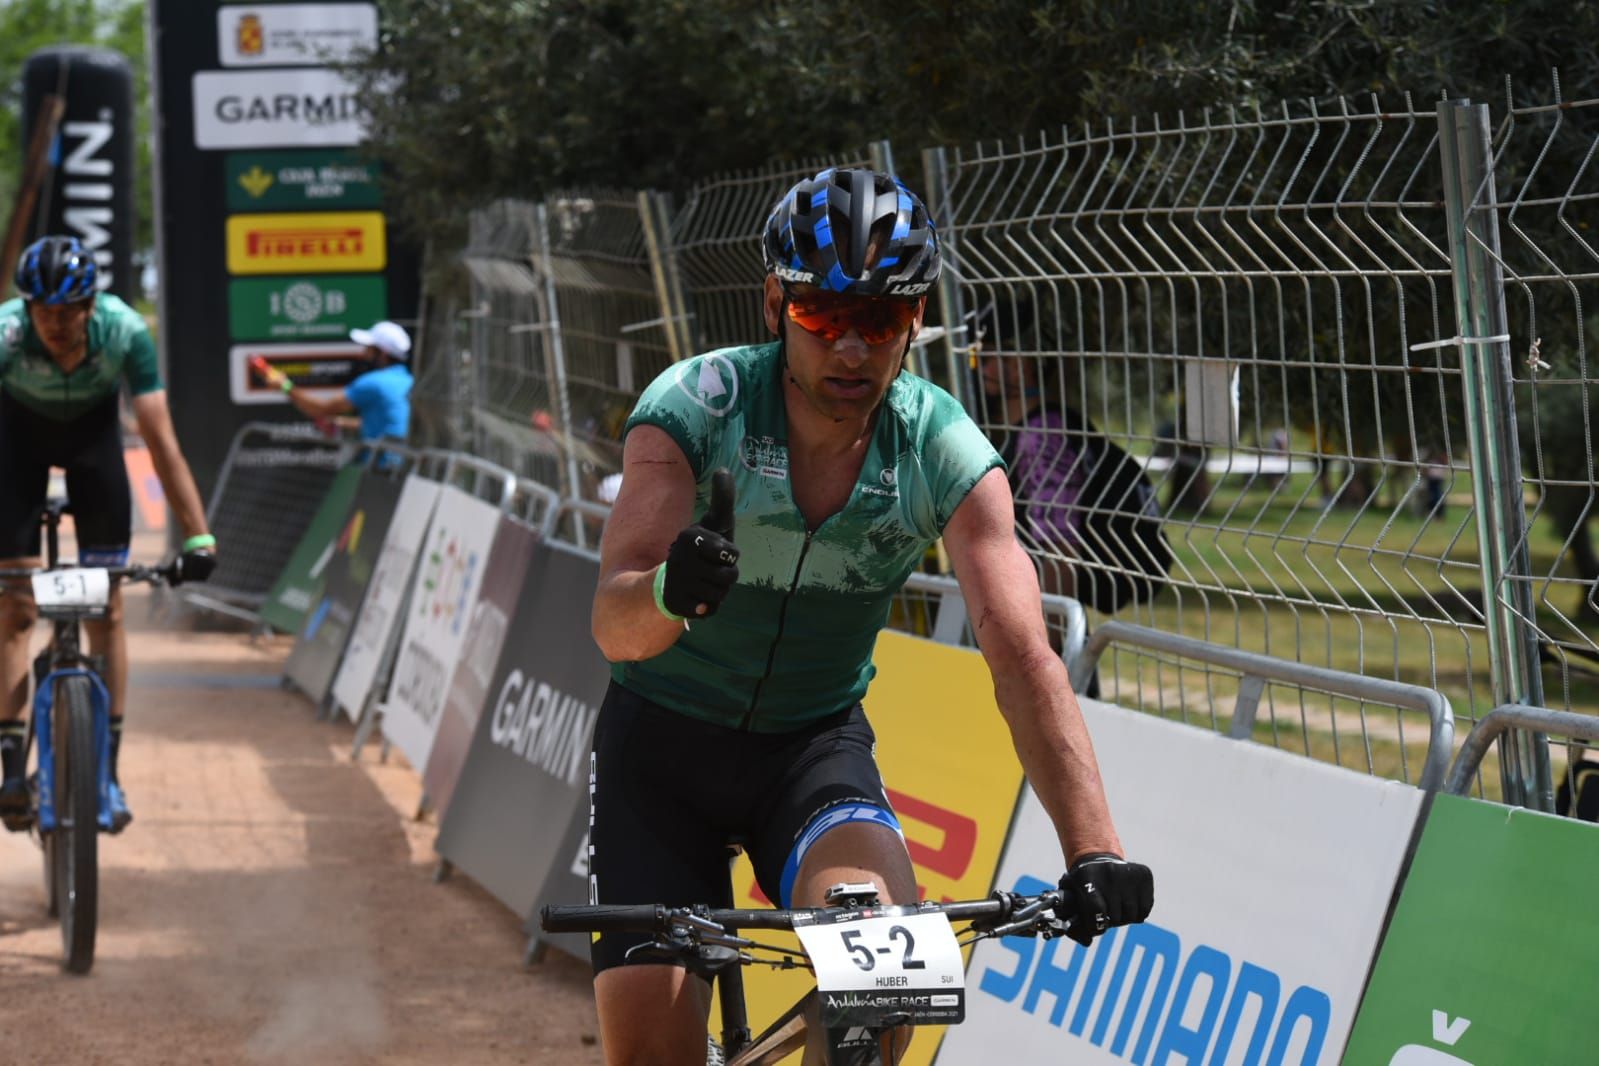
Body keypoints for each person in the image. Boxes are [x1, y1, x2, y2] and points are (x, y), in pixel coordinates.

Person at [589, 168, 1154, 1065]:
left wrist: (1093, 849)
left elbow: (1023, 659)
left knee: (886, 989)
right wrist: (669, 594)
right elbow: (613, 625)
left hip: (809, 754)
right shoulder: (696, 409)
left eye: (880, 322)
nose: (850, 352)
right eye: (822, 318)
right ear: (773, 303)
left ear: (917, 320)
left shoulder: (943, 448)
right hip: (660, 754)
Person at [0, 236, 216, 832]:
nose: (56, 324)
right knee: (16, 608)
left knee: (108, 611)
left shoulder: (124, 332)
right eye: (43, 311)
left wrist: (198, 537)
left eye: (69, 311)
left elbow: (160, 439)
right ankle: (12, 766)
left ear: (92, 306)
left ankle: (108, 773)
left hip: (93, 445)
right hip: (15, 443)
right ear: (27, 308)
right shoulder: (6, 336)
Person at [974, 300, 1171, 618]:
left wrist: (1051, 641)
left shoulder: (1042, 435)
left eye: (987, 357)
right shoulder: (1035, 426)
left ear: (1020, 365)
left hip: (1049, 629)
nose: (979, 368)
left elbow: (1059, 547)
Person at [251, 319, 413, 442]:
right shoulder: (408, 380)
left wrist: (284, 385)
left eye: (369, 348)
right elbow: (386, 425)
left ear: (383, 354)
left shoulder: (374, 383)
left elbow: (320, 409)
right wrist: (340, 423)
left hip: (380, 470)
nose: (364, 353)